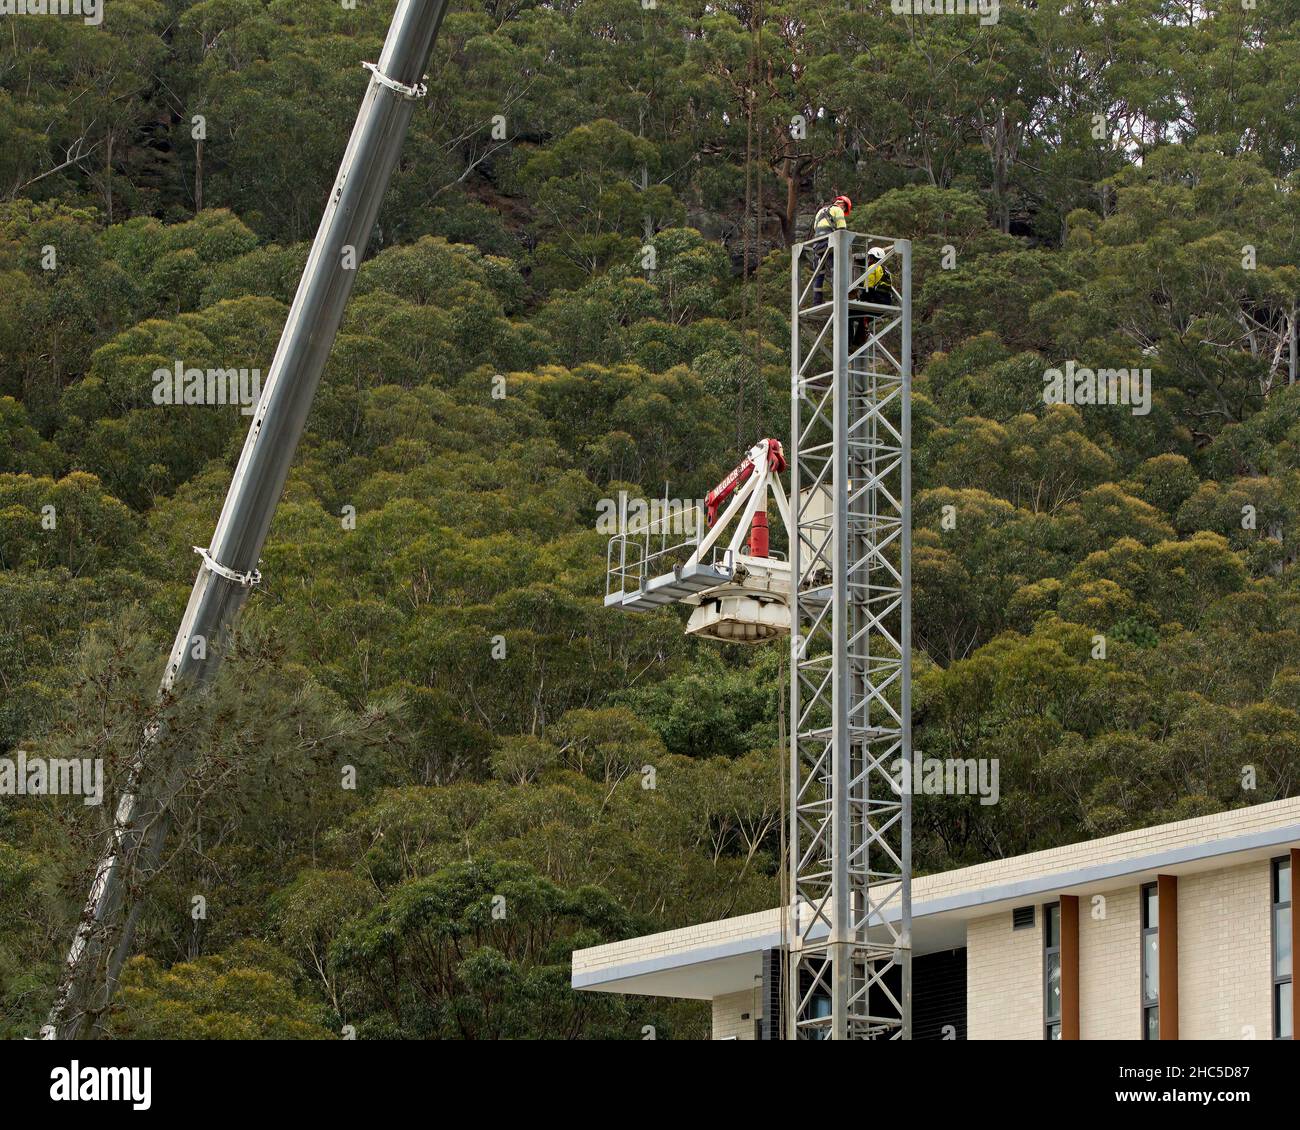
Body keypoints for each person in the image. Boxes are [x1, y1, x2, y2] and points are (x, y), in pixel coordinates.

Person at [811, 194, 852, 304]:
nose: (844, 211)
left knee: (820, 273)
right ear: (843, 205)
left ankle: (816, 301)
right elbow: (842, 231)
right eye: (845, 209)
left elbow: (816, 228)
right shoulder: (838, 210)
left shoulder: (820, 211)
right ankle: (838, 298)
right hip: (829, 244)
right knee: (836, 269)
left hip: (817, 245)